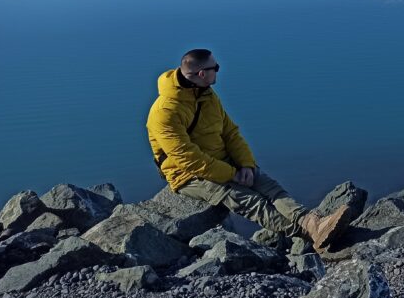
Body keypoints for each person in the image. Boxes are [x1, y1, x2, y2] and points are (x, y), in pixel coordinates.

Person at [146, 48, 348, 250]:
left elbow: (230, 133)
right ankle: (307, 234)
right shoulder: (165, 111)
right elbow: (187, 158)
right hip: (186, 174)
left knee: (268, 186)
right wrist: (232, 174)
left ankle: (311, 221)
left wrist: (246, 165)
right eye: (215, 67)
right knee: (250, 201)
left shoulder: (206, 95)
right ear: (201, 74)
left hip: (222, 160)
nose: (218, 70)